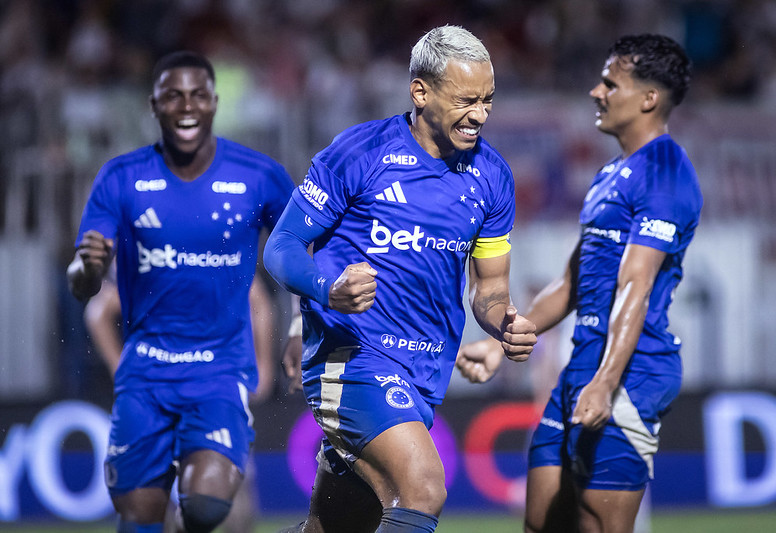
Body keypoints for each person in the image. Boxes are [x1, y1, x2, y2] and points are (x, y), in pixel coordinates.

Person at [264, 25, 537, 533]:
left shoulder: (493, 178)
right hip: (352, 360)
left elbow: (491, 289)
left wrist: (504, 323)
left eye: (488, 100)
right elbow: (280, 249)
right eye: (467, 100)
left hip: (424, 375)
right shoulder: (359, 153)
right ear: (420, 92)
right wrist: (329, 290)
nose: (480, 115)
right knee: (423, 489)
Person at [457, 34, 702, 533]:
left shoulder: (665, 171)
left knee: (599, 524)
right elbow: (573, 281)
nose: (596, 91)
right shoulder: (612, 175)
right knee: (541, 522)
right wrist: (502, 342)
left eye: (611, 83)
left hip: (631, 372)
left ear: (649, 99)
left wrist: (607, 382)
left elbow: (636, 284)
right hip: (582, 367)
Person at [67, 50, 294, 533]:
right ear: (154, 104)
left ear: (214, 102)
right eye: (173, 95)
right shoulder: (120, 177)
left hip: (219, 371)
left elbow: (304, 252)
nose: (186, 106)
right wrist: (86, 270)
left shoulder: (259, 176)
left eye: (197, 95)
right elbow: (85, 285)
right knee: (139, 517)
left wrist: (299, 326)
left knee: (207, 506)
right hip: (145, 374)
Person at [83, 264, 276, 533]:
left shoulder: (218, 238)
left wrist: (262, 365)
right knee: (154, 495)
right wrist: (124, 373)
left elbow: (256, 298)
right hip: (171, 386)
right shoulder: (152, 245)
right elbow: (99, 311)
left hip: (215, 383)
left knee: (227, 487)